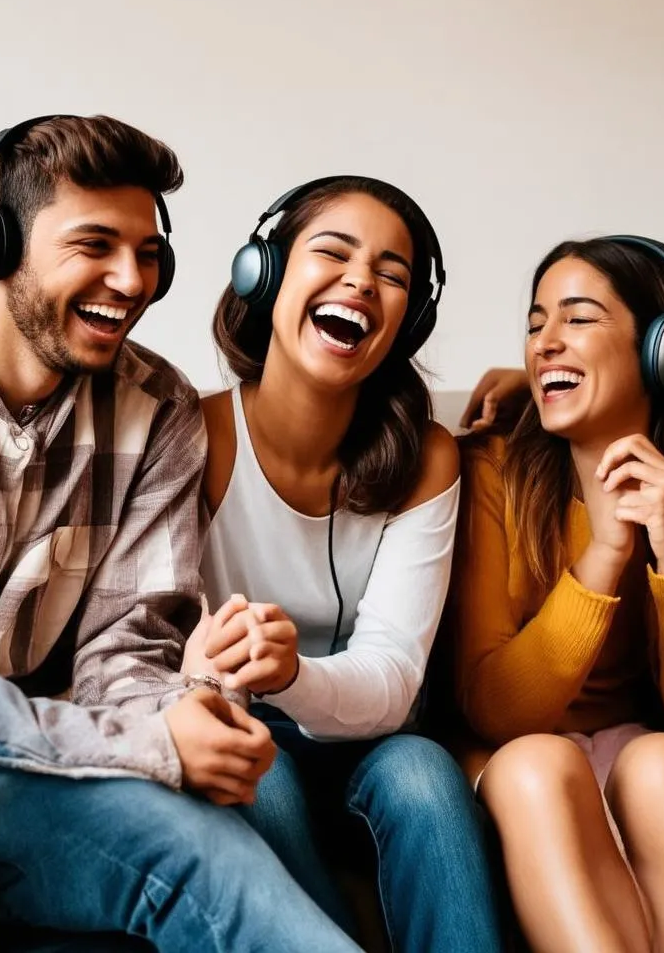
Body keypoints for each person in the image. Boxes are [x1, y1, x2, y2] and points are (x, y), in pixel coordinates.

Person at [0, 115, 361, 953]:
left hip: (39, 796)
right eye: (95, 245)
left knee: (207, 851)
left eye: (148, 254)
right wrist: (151, 743)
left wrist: (194, 700)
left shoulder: (160, 412)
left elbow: (123, 656)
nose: (130, 279)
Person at [185, 176, 503, 951]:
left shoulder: (428, 459)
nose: (362, 280)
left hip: (372, 737)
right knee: (260, 774)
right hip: (245, 732)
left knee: (424, 775)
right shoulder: (194, 436)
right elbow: (169, 656)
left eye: (392, 274)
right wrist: (243, 684)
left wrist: (293, 675)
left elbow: (394, 680)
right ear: (264, 275)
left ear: (409, 320)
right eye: (333, 252)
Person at [449, 236, 664, 952]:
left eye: (578, 318)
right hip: (523, 756)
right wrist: (605, 550)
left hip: (647, 748)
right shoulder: (493, 472)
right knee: (542, 763)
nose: (546, 344)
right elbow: (496, 710)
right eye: (535, 324)